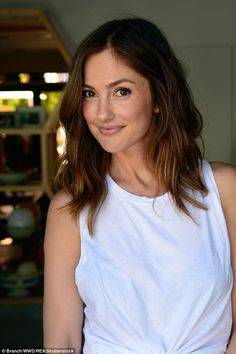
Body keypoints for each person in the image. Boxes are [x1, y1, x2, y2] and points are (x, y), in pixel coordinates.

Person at [43, 17, 236, 353]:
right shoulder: (70, 209)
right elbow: (63, 342)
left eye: (121, 91)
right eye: (90, 93)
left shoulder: (225, 191)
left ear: (159, 97)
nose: (101, 113)